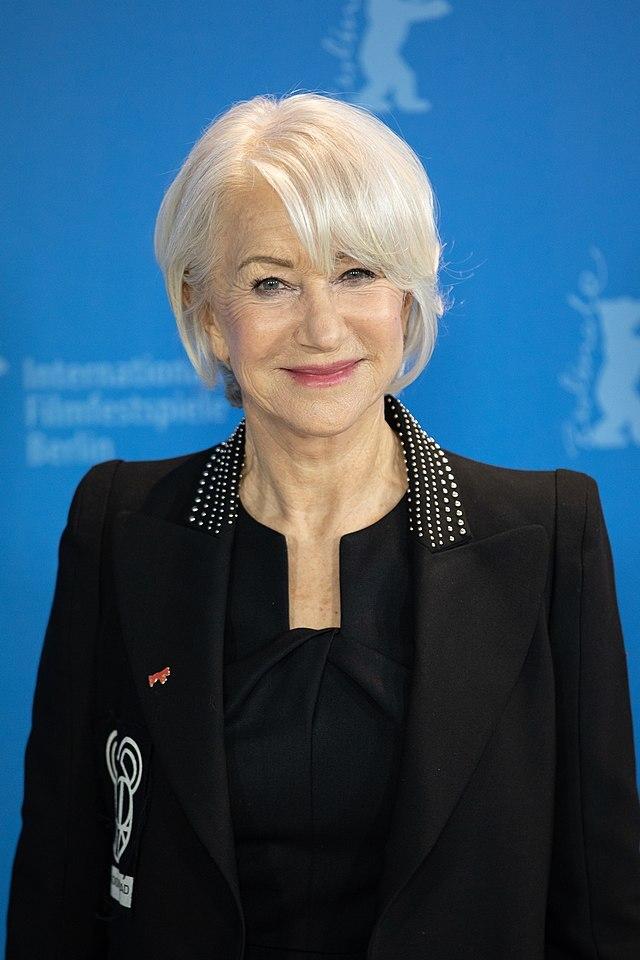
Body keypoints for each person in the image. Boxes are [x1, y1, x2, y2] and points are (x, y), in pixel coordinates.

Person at [6, 91, 640, 960]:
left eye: (358, 273)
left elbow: (602, 909)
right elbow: (58, 885)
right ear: (207, 313)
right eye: (271, 282)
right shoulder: (119, 526)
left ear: (409, 297)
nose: (322, 325)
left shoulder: (548, 537)